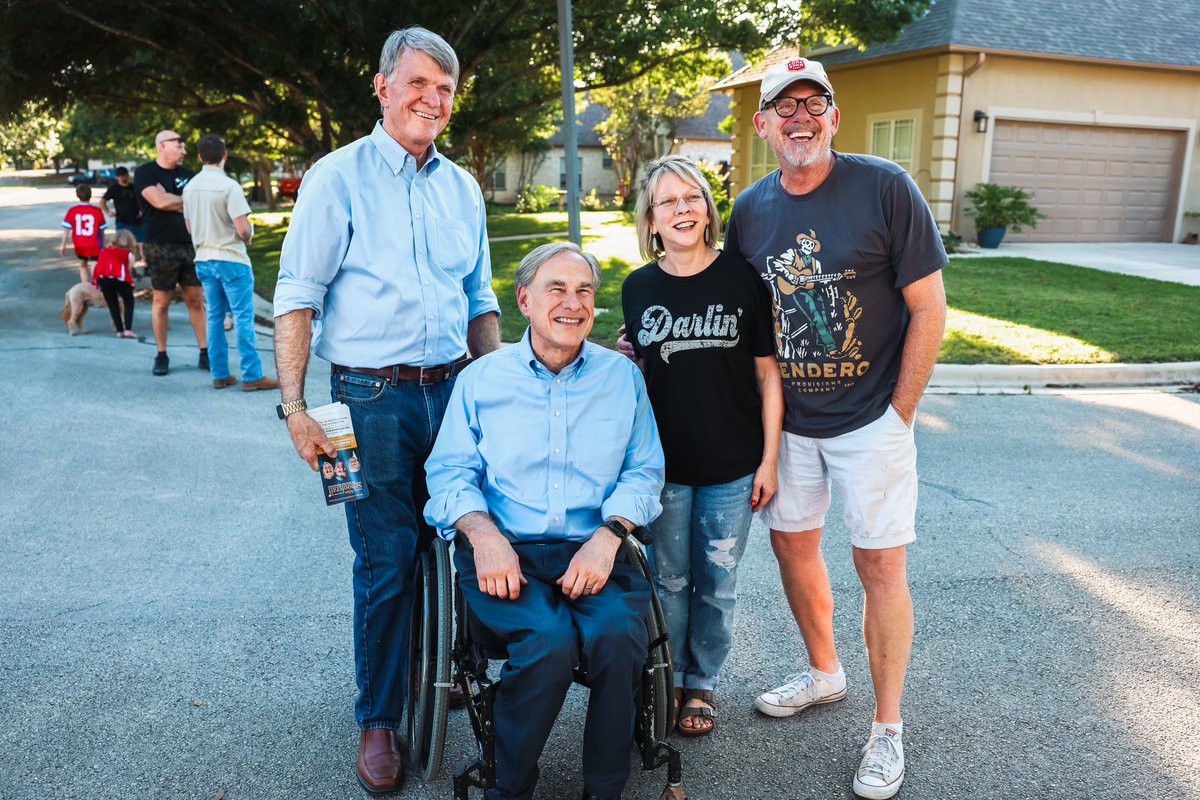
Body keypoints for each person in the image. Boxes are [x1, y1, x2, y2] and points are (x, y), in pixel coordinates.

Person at [272, 26, 501, 795]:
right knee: (384, 560)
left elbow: (480, 298)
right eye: (418, 83)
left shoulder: (462, 186)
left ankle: (447, 668)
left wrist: (498, 386)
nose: (431, 100)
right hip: (366, 399)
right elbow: (298, 297)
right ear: (383, 87)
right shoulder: (335, 179)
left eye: (444, 89)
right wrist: (296, 409)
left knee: (471, 536)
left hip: (456, 389)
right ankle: (379, 716)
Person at [723, 57, 947, 800]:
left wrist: (900, 415)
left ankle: (887, 729)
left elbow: (929, 308)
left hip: (869, 421)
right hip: (789, 425)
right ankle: (825, 671)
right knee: (793, 549)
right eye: (783, 108)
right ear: (762, 126)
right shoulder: (750, 210)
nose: (799, 119)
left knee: (880, 567)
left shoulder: (886, 188)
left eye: (812, 103)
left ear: (834, 116)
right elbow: (736, 316)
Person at [425, 242, 665, 800]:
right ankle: (509, 785)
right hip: (506, 552)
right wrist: (483, 537)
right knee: (549, 641)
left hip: (595, 549)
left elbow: (645, 470)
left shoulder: (621, 378)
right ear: (525, 299)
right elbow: (449, 471)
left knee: (615, 638)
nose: (573, 303)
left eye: (584, 291)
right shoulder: (482, 380)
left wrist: (609, 537)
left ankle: (604, 788)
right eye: (557, 289)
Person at [620, 155, 783, 736]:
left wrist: (768, 460)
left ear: (709, 211)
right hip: (661, 470)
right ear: (651, 220)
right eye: (669, 202)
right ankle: (664, 673)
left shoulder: (742, 278)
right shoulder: (638, 288)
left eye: (692, 198)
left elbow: (768, 375)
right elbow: (634, 376)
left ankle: (701, 683)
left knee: (716, 582)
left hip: (732, 468)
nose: (682, 210)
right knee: (667, 581)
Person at [182, 132, 280, 392]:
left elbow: (190, 228)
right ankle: (251, 375)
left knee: (214, 316)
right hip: (231, 258)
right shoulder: (229, 187)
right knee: (243, 317)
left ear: (200, 156)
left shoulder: (189, 187)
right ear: (224, 156)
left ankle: (220, 374)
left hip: (203, 258)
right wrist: (248, 236)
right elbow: (243, 229)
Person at [135, 130, 207, 377]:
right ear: (163, 146)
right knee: (161, 302)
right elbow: (159, 202)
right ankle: (162, 354)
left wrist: (171, 199)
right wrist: (182, 202)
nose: (185, 151)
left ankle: (205, 352)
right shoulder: (145, 173)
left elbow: (198, 205)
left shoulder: (189, 176)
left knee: (195, 300)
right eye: (180, 146)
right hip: (160, 246)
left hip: (190, 245)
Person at [91, 228, 139, 338]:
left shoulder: (103, 251)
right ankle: (128, 329)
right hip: (120, 279)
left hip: (104, 279)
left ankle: (119, 331)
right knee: (129, 302)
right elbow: (128, 270)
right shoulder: (128, 254)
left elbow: (100, 265)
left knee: (113, 304)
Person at [60, 184, 107, 284]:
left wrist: (63, 245)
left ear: (77, 195)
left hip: (80, 244)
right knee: (94, 265)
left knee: (82, 265)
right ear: (90, 195)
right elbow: (102, 230)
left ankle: (85, 286)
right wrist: (103, 244)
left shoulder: (72, 211)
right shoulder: (97, 211)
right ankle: (95, 287)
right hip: (94, 243)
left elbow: (66, 230)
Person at [101, 166, 145, 261]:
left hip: (137, 220)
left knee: (142, 244)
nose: (121, 178)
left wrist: (143, 210)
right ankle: (129, 267)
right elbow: (103, 201)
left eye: (123, 176)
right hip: (122, 221)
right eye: (119, 176)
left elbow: (144, 200)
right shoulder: (114, 188)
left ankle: (146, 265)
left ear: (127, 176)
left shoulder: (134, 187)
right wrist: (108, 212)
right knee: (123, 245)